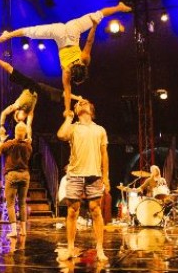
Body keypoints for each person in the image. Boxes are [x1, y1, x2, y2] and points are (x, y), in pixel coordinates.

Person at [0, 2, 132, 118]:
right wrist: (66, 109)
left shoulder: (84, 61)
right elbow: (67, 91)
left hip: (73, 30)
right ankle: (9, 35)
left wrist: (95, 25)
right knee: (32, 32)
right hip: (60, 34)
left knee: (99, 14)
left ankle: (119, 7)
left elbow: (89, 41)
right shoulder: (66, 71)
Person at [57, 99, 110, 261]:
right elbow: (61, 135)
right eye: (78, 103)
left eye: (84, 102)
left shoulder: (100, 130)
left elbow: (104, 154)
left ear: (91, 110)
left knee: (96, 210)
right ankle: (70, 248)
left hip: (94, 175)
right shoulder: (73, 128)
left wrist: (106, 176)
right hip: (75, 175)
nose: (81, 102)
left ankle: (100, 249)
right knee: (72, 211)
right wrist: (68, 117)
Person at [0, 52, 83, 140]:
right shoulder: (30, 113)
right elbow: (29, 126)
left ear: (17, 113)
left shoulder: (15, 106)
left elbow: (4, 113)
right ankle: (77, 97)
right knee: (58, 93)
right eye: (22, 120)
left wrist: (1, 125)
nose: (22, 119)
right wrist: (29, 138)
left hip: (28, 85)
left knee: (9, 69)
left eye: (19, 118)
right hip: (38, 89)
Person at [0, 121, 32, 237]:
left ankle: (14, 231)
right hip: (25, 175)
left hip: (12, 175)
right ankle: (23, 230)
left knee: (10, 204)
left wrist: (1, 139)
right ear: (24, 134)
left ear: (15, 132)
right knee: (22, 203)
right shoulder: (29, 146)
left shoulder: (10, 144)